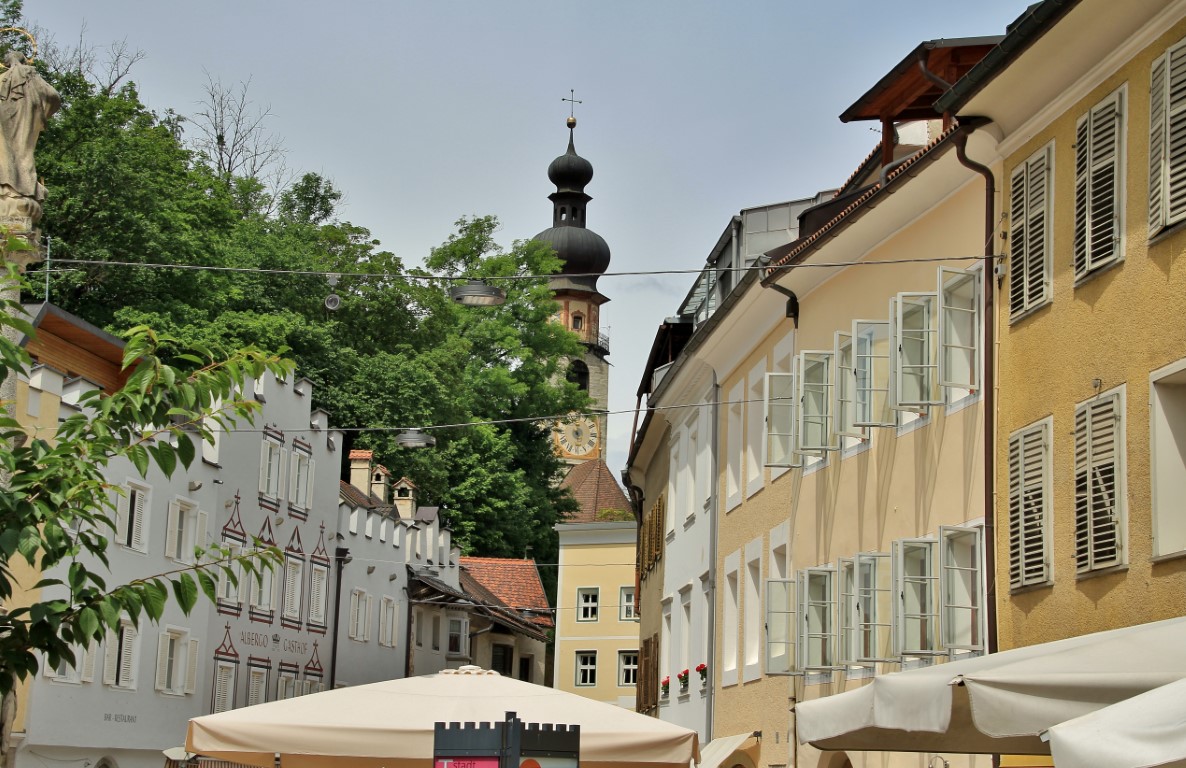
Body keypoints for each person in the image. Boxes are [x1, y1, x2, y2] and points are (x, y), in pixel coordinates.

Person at [0, 49, 60, 221]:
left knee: (4, 153)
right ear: (24, 61)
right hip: (25, 123)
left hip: (3, 123)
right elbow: (53, 97)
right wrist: (40, 113)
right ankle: (20, 191)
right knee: (21, 152)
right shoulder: (31, 75)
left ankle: (7, 191)